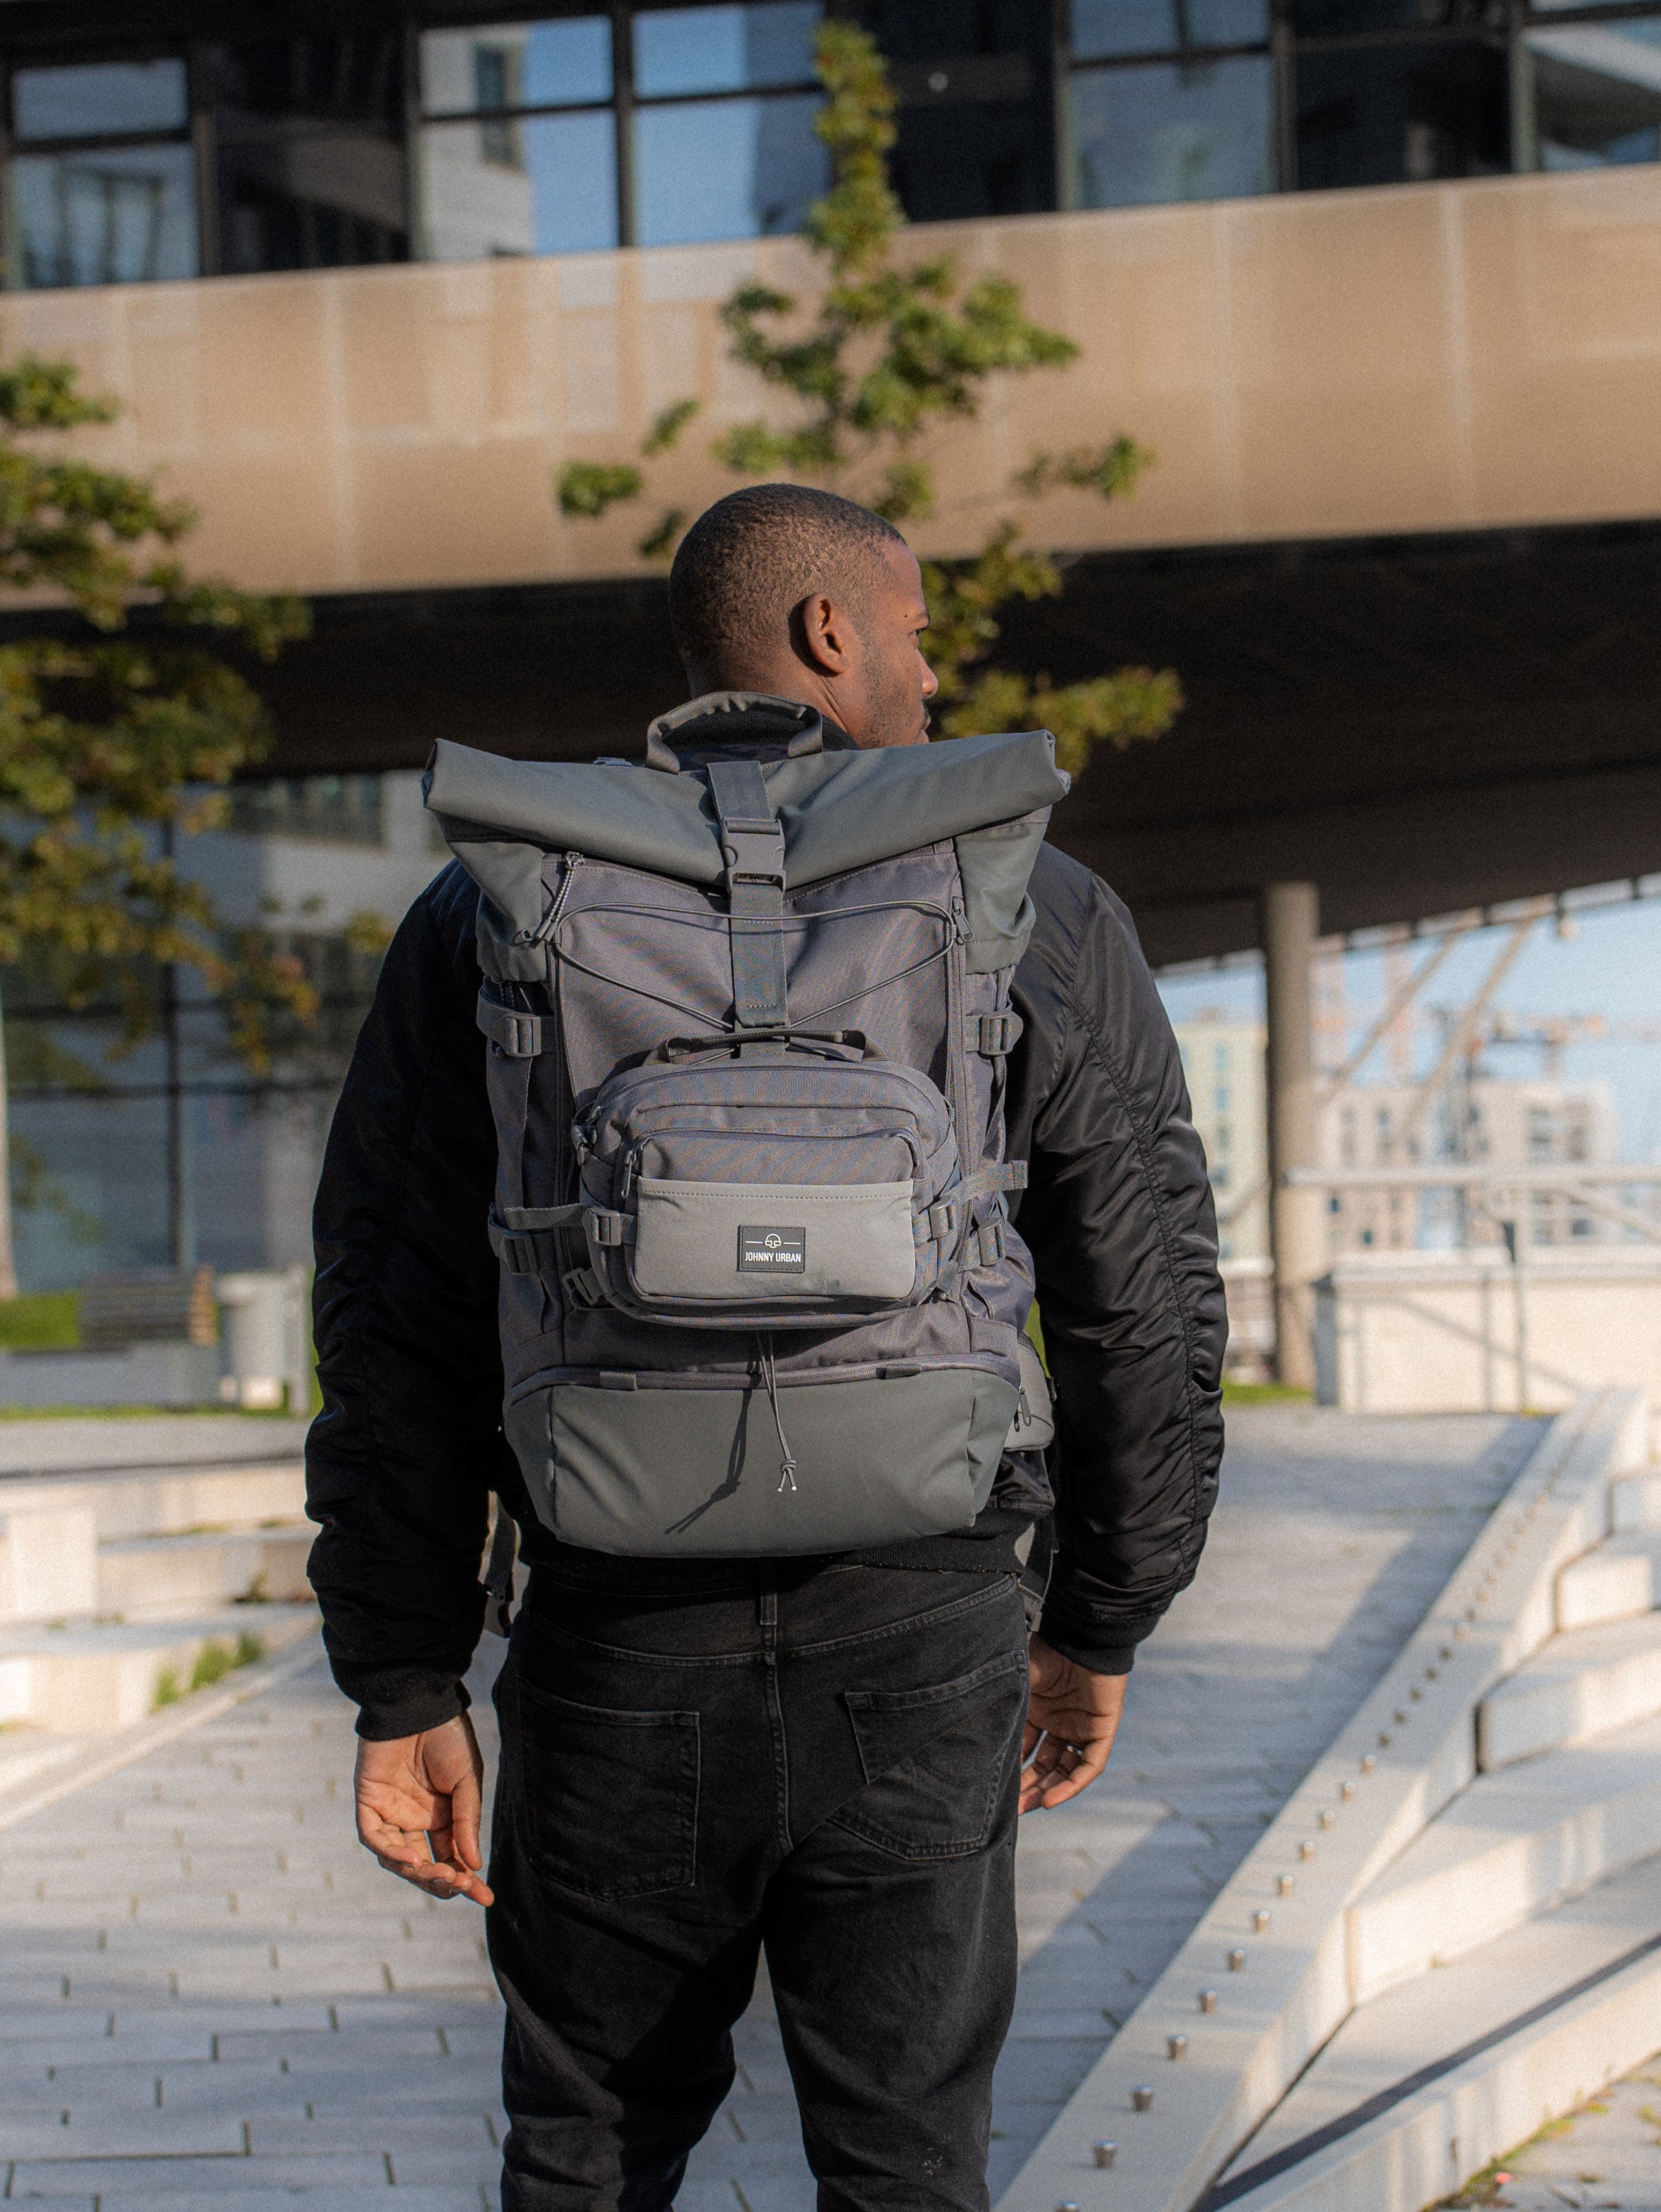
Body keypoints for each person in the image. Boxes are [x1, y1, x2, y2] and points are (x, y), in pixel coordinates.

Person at [305, 482, 1226, 2212]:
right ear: (827, 635)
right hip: (926, 1618)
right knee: (903, 2161)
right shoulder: (1030, 900)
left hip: (613, 1637)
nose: (940, 678)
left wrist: (406, 1676)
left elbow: (391, 1307)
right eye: (923, 630)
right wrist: (1105, 1615)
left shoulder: (502, 908)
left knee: (588, 2150)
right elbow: (1144, 1289)